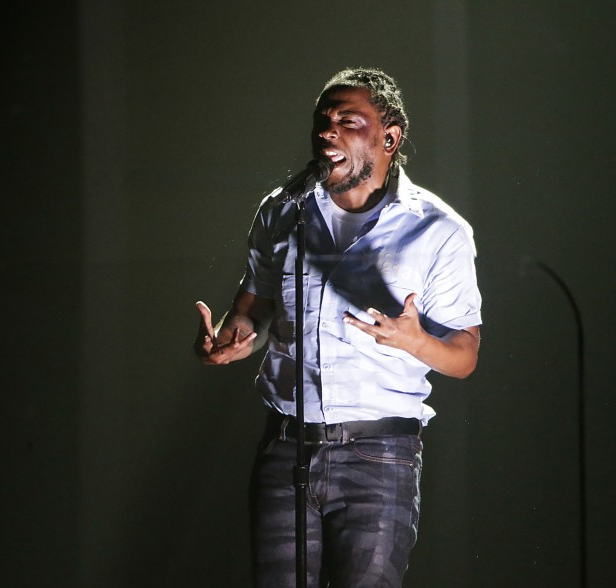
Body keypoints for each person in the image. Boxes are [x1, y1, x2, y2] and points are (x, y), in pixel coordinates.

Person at [194, 67, 482, 587]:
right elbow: (252, 304)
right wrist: (233, 334)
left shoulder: (437, 231)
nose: (328, 132)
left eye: (348, 121)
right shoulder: (283, 210)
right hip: (286, 448)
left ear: (389, 138)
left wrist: (418, 341)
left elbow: (465, 354)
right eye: (322, 122)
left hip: (380, 455)